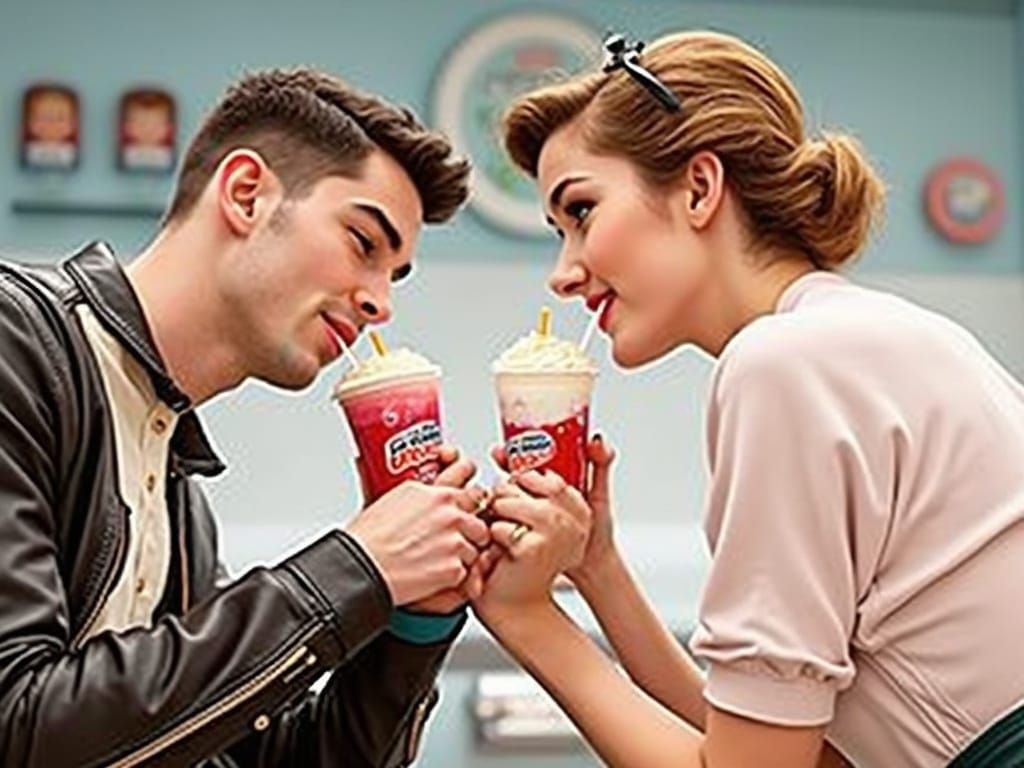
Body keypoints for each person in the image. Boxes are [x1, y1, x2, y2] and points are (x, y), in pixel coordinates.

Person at [473, 30, 1024, 768]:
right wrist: (598, 570)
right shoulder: (871, 334)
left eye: (580, 213)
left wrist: (527, 618)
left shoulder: (782, 364)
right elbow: (785, 743)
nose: (563, 273)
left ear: (699, 188)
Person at [0, 68, 493, 767]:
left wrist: (414, 617)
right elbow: (18, 726)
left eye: (394, 274)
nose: (382, 302)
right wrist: (357, 567)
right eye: (363, 243)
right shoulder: (14, 343)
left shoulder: (178, 498)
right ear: (246, 194)